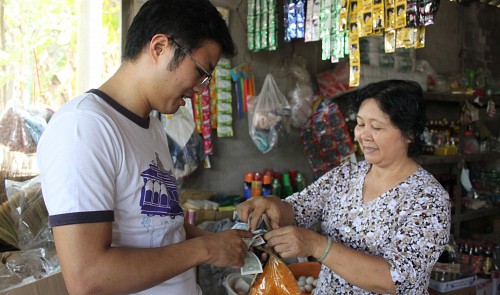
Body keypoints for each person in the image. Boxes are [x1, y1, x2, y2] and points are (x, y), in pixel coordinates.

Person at [37, 0, 253, 294]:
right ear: (160, 47)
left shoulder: (151, 128)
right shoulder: (83, 127)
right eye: (201, 72)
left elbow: (161, 226)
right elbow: (88, 279)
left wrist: (221, 243)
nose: (201, 90)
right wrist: (204, 249)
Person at [237, 80, 450, 294]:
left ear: (410, 133)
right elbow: (297, 211)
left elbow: (397, 279)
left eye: (376, 127)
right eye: (360, 124)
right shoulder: (345, 175)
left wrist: (318, 246)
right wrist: (272, 205)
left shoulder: (428, 199)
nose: (363, 136)